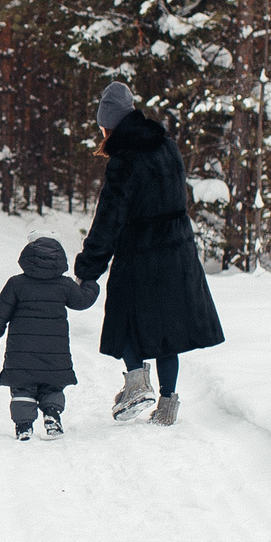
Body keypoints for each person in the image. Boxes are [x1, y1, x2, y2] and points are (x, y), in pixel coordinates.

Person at [75, 81, 225, 426]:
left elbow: (109, 218)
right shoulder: (167, 146)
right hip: (177, 250)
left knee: (125, 320)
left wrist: (89, 266)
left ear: (109, 123)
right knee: (167, 329)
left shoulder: (124, 159)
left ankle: (136, 384)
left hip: (140, 252)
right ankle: (168, 404)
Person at [0, 235, 101, 440]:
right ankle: (52, 415)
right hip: (54, 350)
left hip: (21, 350)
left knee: (22, 385)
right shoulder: (64, 285)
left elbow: (1, 311)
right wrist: (88, 282)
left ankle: (23, 426)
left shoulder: (16, 283)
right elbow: (83, 301)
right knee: (52, 383)